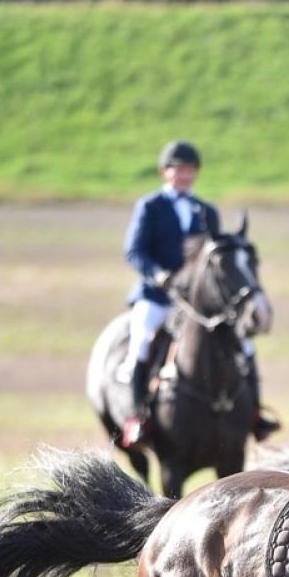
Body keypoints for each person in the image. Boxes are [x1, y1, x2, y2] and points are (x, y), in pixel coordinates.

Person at [118, 140, 277, 448]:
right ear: (165, 172)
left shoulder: (207, 210)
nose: (185, 176)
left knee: (245, 345)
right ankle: (138, 418)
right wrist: (158, 274)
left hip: (197, 305)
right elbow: (134, 251)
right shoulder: (150, 207)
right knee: (140, 341)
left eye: (190, 171)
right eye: (178, 170)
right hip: (157, 297)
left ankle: (255, 414)